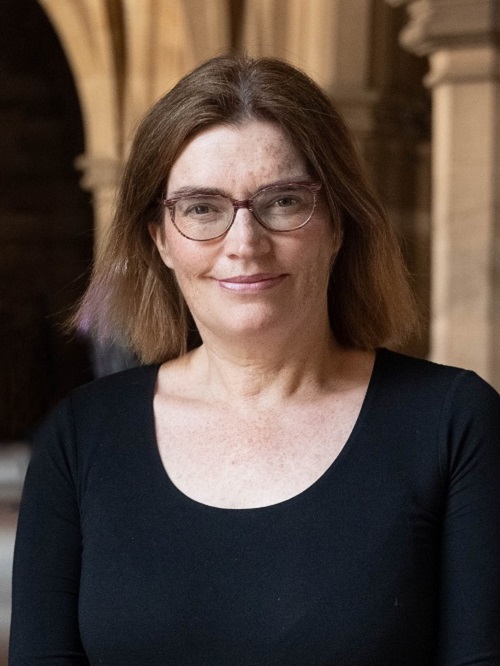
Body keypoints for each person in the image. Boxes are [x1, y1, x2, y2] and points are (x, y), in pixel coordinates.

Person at [9, 55, 500, 665]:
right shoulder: (81, 438)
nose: (244, 243)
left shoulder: (454, 424)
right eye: (201, 208)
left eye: (284, 201)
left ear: (338, 223)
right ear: (159, 238)